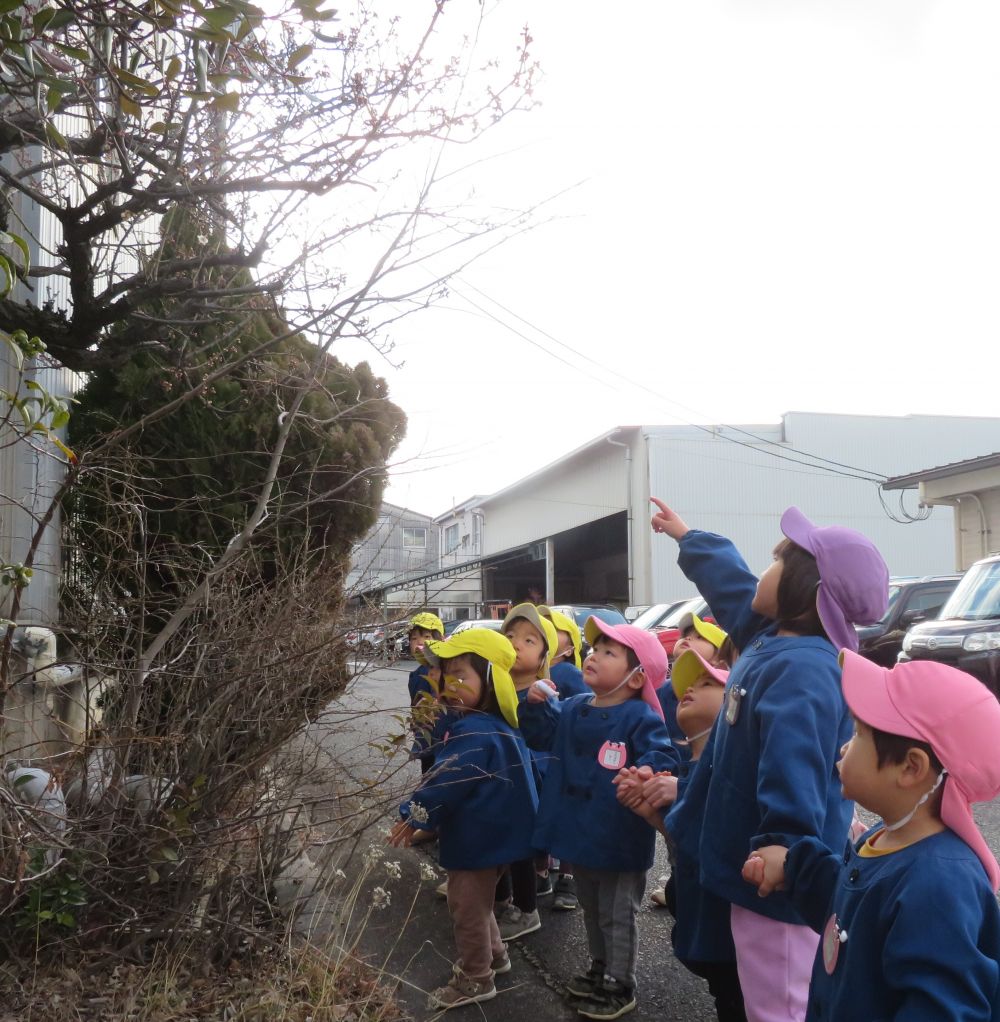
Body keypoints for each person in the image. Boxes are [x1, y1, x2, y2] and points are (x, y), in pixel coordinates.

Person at [651, 497, 888, 1022]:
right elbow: (735, 588)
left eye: (778, 561)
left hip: (776, 874)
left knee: (780, 1002)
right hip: (750, 862)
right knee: (751, 990)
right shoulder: (771, 639)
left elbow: (795, 763)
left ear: (809, 592)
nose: (766, 568)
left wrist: (785, 842)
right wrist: (689, 538)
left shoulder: (804, 668)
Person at [743, 652, 1000, 1022]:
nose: (845, 746)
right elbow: (855, 914)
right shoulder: (888, 837)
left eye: (860, 733)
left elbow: (941, 1007)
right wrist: (795, 866)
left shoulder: (939, 884)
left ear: (911, 768)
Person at [520, 617, 678, 1020]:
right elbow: (539, 736)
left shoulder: (640, 717)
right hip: (578, 829)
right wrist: (535, 705)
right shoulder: (572, 707)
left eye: (609, 652)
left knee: (617, 914)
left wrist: (647, 771)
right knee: (593, 910)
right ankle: (599, 969)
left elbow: (661, 756)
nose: (594, 655)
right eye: (595, 648)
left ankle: (619, 983)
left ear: (637, 676)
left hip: (617, 833)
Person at [388, 628, 538, 1011]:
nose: (450, 684)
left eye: (461, 676)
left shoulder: (475, 734)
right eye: (446, 675)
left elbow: (444, 781)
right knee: (481, 903)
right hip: (500, 837)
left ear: (489, 682)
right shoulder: (489, 725)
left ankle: (476, 977)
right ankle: (495, 955)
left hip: (479, 838)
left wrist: (412, 814)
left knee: (466, 906)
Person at [618, 649, 748, 1022]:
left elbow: (728, 830)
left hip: (730, 931)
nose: (689, 689)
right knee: (726, 996)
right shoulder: (688, 768)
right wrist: (653, 815)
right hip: (703, 918)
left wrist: (684, 792)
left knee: (739, 999)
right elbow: (690, 846)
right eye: (688, 684)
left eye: (708, 683)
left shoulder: (731, 764)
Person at [496, 602, 560, 937]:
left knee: (520, 845)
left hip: (530, 781)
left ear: (544, 657)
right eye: (509, 635)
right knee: (501, 840)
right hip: (501, 779)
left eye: (529, 640)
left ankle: (526, 909)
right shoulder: (494, 687)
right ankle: (502, 898)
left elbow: (548, 740)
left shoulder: (543, 692)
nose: (516, 643)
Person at [538, 605, 589, 911]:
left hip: (561, 755)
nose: (541, 630)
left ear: (569, 645)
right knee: (542, 813)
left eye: (549, 626)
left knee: (565, 814)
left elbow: (583, 709)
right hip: (538, 755)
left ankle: (567, 876)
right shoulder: (533, 672)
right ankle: (542, 869)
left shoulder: (569, 673)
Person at [405, 612, 445, 774]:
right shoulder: (415, 675)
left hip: (443, 738)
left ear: (440, 640)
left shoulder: (445, 670)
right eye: (414, 638)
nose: (420, 642)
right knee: (428, 774)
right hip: (424, 737)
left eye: (427, 636)